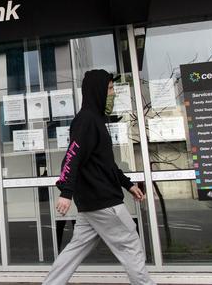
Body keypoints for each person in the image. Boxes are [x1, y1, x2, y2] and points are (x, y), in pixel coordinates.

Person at [42, 69, 154, 285]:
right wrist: (66, 192)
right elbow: (72, 157)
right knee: (130, 242)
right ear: (97, 91)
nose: (112, 93)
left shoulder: (94, 120)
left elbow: (105, 164)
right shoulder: (87, 120)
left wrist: (128, 184)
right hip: (103, 201)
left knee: (75, 250)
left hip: (91, 204)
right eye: (110, 88)